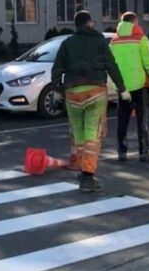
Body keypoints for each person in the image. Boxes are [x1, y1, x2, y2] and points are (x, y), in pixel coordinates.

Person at [51, 10, 129, 192]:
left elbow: (57, 69)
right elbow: (111, 65)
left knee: (78, 132)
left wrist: (57, 90)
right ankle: (88, 175)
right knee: (93, 134)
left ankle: (82, 166)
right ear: (88, 23)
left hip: (72, 94)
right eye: (92, 21)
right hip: (95, 91)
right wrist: (122, 88)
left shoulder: (67, 43)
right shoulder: (99, 41)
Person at [110, 11, 149, 163]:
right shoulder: (140, 40)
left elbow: (111, 64)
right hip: (139, 86)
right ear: (134, 23)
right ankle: (143, 152)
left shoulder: (114, 41)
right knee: (142, 120)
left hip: (122, 87)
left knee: (122, 120)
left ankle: (122, 152)